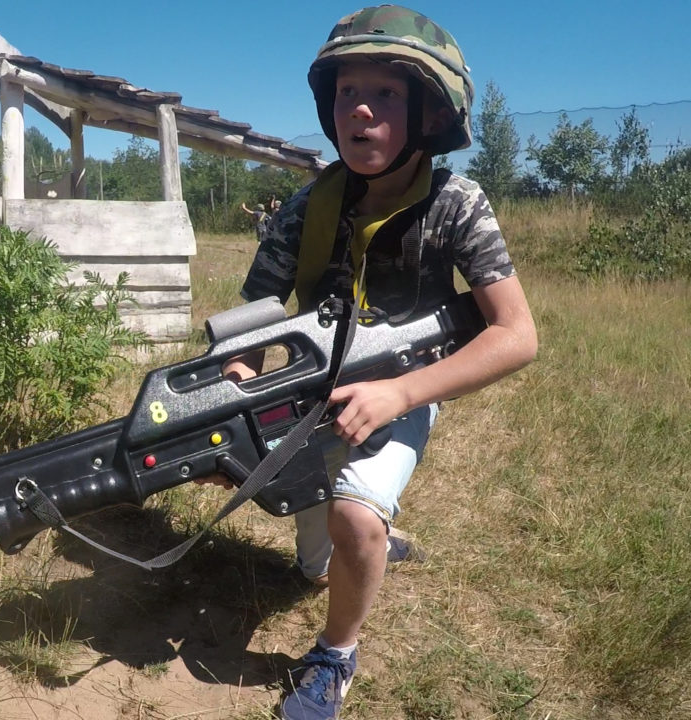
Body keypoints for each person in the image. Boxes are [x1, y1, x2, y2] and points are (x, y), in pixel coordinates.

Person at [200, 7, 537, 719]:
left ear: (429, 113)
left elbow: (516, 335)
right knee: (314, 561)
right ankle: (369, 543)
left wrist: (401, 395)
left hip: (402, 390)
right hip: (307, 392)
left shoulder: (457, 206)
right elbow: (258, 307)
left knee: (355, 517)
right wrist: (237, 378)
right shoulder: (307, 205)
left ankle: (334, 657)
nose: (360, 107)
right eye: (348, 90)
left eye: (386, 94)